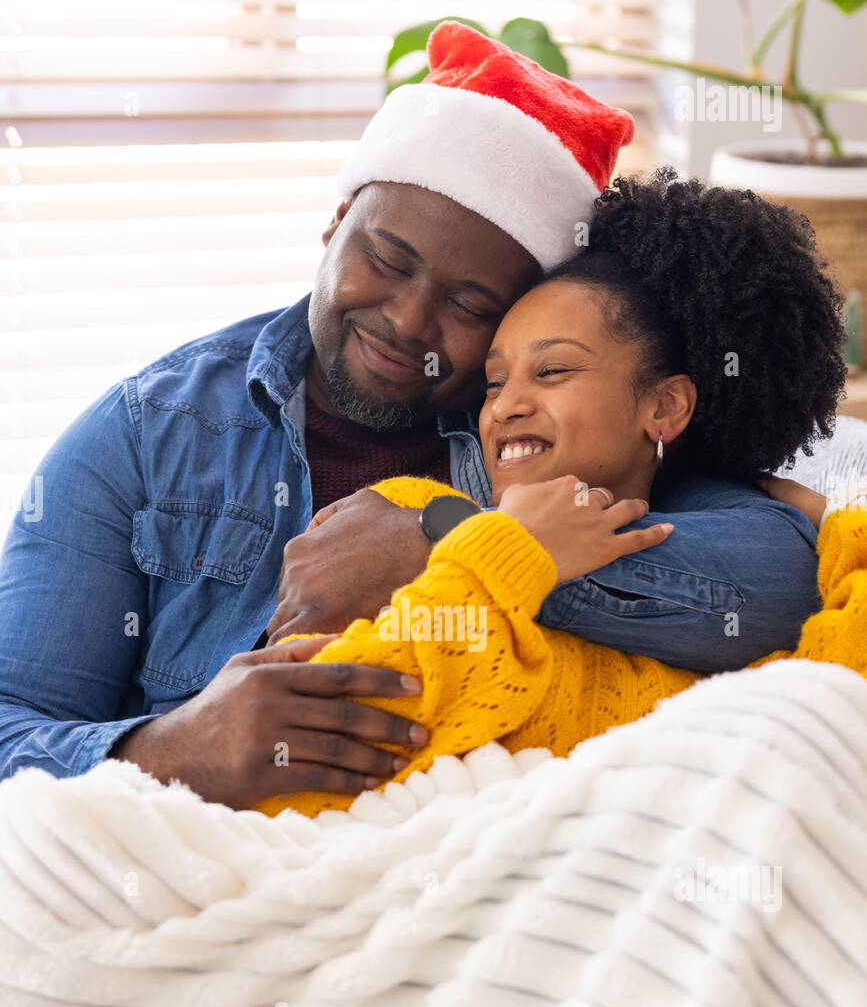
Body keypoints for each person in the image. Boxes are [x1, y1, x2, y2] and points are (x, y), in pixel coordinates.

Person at [0, 25, 831, 810]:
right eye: (386, 260)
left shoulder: (533, 426)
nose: (405, 320)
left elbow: (775, 581)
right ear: (334, 225)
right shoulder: (153, 434)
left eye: (471, 304)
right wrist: (177, 749)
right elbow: (14, 720)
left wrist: (450, 542)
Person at [251, 170, 857, 819]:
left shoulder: (750, 538)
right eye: (492, 382)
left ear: (664, 406)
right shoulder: (402, 506)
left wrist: (479, 549)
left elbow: (820, 680)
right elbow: (319, 716)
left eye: (552, 371)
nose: (506, 406)